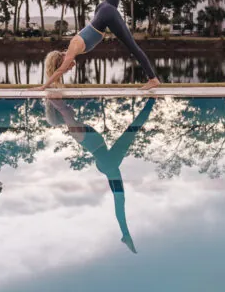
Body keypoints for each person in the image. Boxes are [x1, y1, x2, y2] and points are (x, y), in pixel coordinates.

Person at [45, 96, 156, 253]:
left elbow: (65, 111)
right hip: (106, 161)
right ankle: (125, 234)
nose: (69, 106)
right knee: (133, 129)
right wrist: (55, 100)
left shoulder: (75, 126)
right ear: (62, 114)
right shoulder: (74, 128)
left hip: (106, 161)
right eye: (65, 107)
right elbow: (63, 110)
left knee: (133, 130)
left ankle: (125, 234)